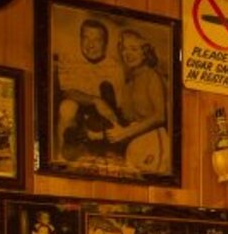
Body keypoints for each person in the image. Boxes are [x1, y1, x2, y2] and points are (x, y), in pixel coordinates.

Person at [55, 18, 123, 159]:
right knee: (67, 107)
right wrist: (96, 101)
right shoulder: (70, 60)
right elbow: (67, 92)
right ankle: (60, 158)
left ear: (105, 43)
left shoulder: (115, 67)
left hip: (102, 119)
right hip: (79, 117)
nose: (91, 45)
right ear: (80, 39)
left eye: (97, 40)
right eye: (86, 38)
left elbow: (117, 107)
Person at [105, 29, 170, 175]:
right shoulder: (128, 82)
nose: (128, 53)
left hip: (154, 142)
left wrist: (124, 133)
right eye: (124, 49)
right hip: (134, 145)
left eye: (134, 49)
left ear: (144, 53)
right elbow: (130, 121)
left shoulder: (152, 76)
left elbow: (160, 116)